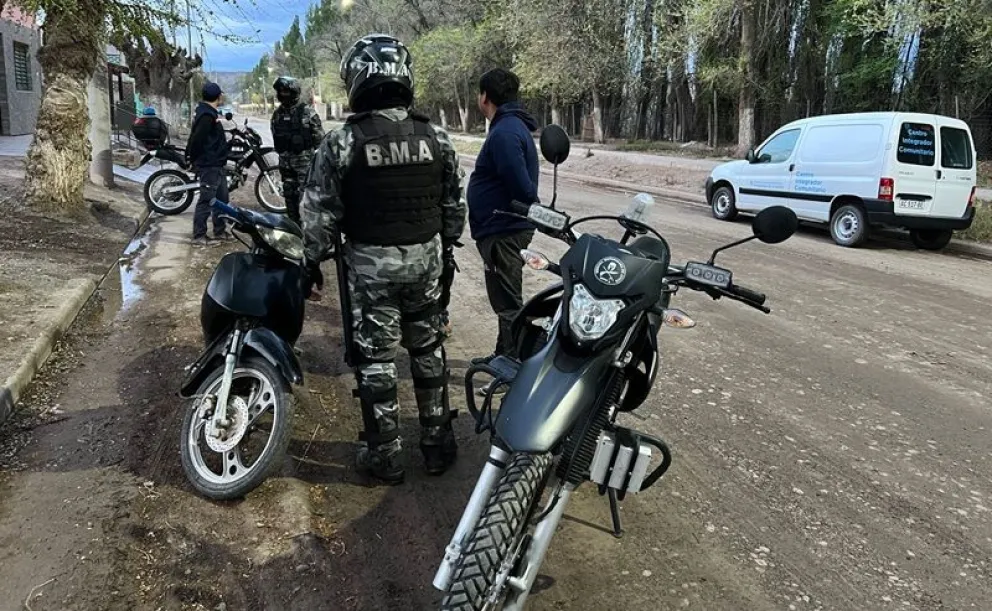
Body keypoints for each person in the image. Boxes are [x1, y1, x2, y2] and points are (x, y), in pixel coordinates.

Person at [300, 34, 466, 484]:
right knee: (428, 349)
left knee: (376, 360)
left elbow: (318, 213)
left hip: (371, 270)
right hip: (426, 264)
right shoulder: (437, 136)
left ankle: (385, 456)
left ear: (357, 79)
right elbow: (454, 207)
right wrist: (446, 247)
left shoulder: (342, 143)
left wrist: (310, 261)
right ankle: (437, 445)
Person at [466, 68, 539, 386]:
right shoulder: (507, 127)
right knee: (502, 299)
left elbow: (523, 189)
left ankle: (512, 369)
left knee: (508, 302)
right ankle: (502, 355)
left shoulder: (506, 132)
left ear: (485, 96)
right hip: (498, 228)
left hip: (505, 230)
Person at [270, 76, 324, 225]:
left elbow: (320, 139)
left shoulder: (307, 112)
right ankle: (294, 228)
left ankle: (308, 231)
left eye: (287, 91)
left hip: (304, 165)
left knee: (305, 198)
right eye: (281, 91)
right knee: (289, 196)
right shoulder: (277, 114)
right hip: (285, 164)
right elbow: (276, 136)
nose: (284, 94)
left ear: (294, 92)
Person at [186, 82, 232, 245]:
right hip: (209, 164)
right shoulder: (206, 116)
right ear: (218, 96)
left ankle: (219, 230)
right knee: (206, 200)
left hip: (217, 163)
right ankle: (199, 235)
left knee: (221, 198)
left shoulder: (210, 113)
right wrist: (194, 160)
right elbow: (197, 139)